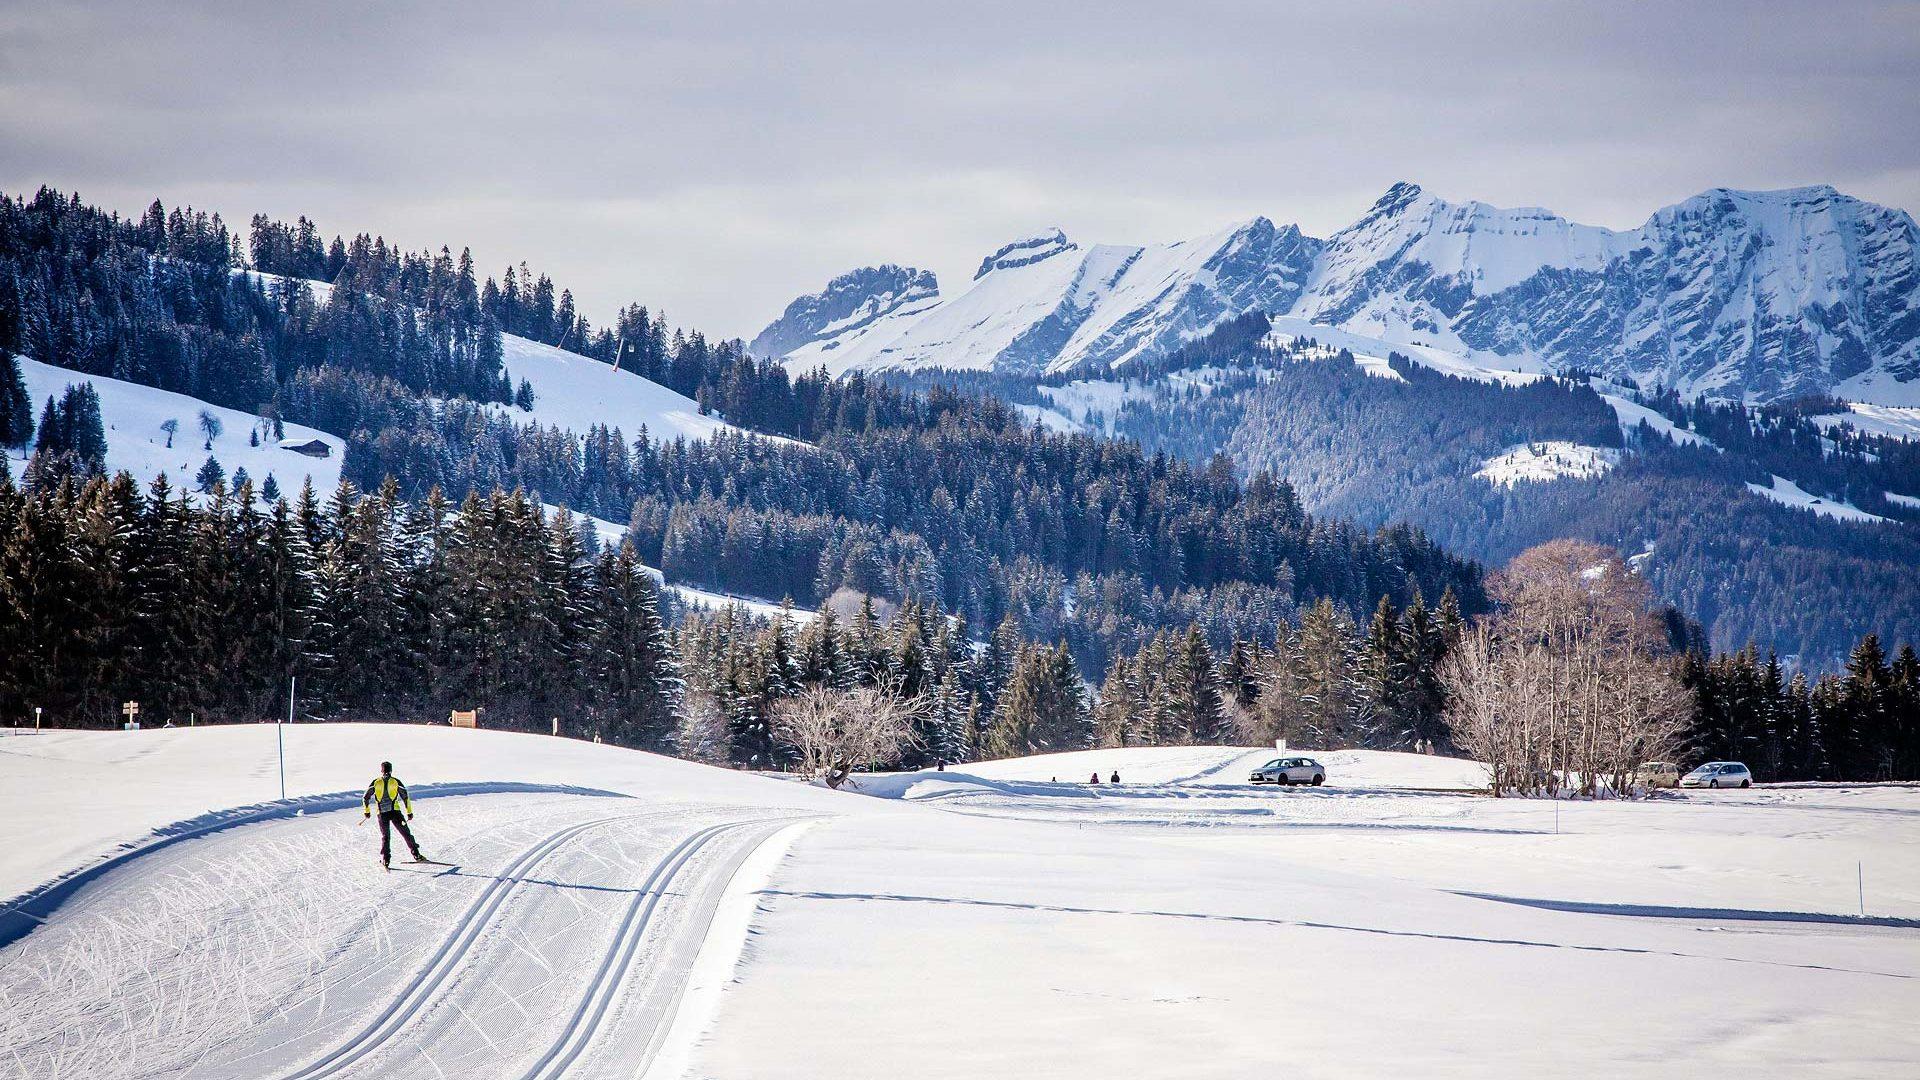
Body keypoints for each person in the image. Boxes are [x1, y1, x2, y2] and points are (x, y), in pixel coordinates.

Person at [363, 761, 425, 869]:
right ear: (391, 770)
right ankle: (417, 855)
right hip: (395, 812)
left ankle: (385, 860)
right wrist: (409, 812)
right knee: (406, 833)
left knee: (385, 837)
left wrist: (367, 811)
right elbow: (405, 797)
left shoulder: (376, 782)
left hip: (382, 814)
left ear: (381, 770)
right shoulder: (396, 781)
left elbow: (365, 797)